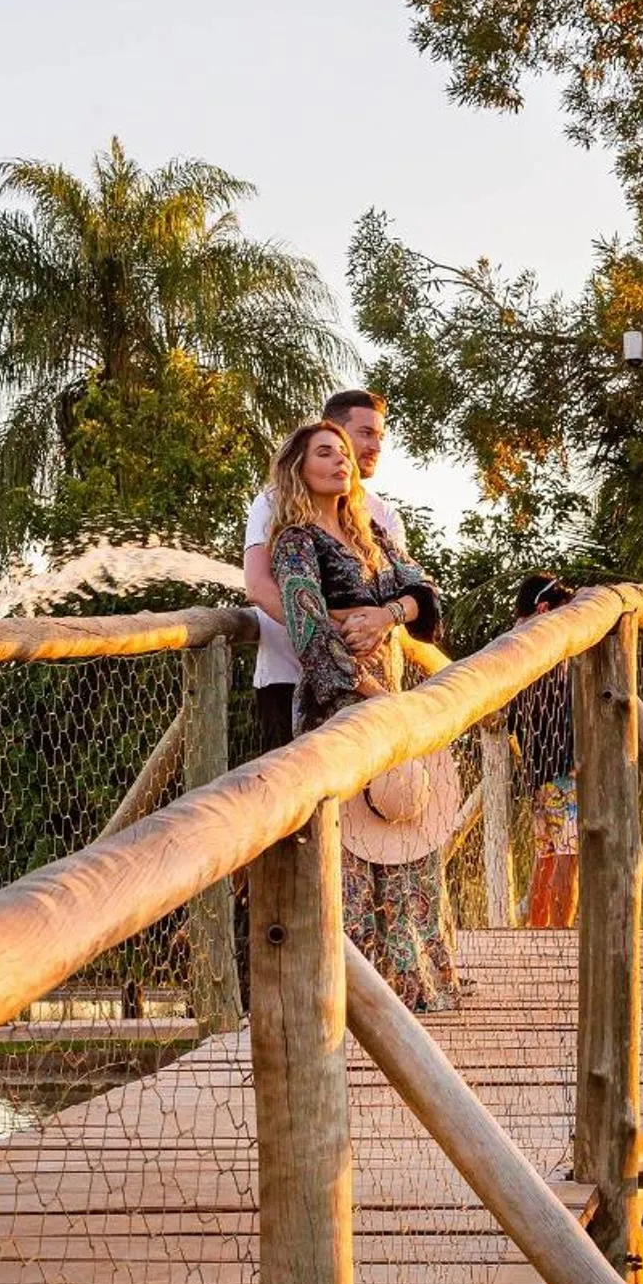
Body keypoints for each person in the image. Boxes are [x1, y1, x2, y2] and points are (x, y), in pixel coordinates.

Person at [267, 417, 455, 1011]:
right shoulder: (296, 540)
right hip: (342, 702)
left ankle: (411, 983)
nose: (341, 461)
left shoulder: (370, 533)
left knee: (400, 828)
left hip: (391, 692)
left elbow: (427, 598)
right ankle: (353, 997)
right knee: (347, 849)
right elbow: (304, 622)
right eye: (326, 453)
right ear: (300, 468)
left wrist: (386, 616)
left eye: (345, 453)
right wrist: (370, 692)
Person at [244, 389, 406, 755]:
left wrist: (383, 620)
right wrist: (337, 636)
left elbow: (404, 592)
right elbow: (257, 585)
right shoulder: (273, 502)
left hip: (376, 685)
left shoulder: (384, 517)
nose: (376, 446)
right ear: (333, 430)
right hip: (290, 677)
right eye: (365, 433)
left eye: (380, 436)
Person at [509, 573, 580, 927]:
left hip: (536, 769)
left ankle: (538, 931)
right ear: (544, 609)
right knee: (569, 853)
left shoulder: (508, 649)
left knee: (547, 853)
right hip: (562, 766)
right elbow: (565, 713)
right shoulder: (546, 650)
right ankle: (561, 932)